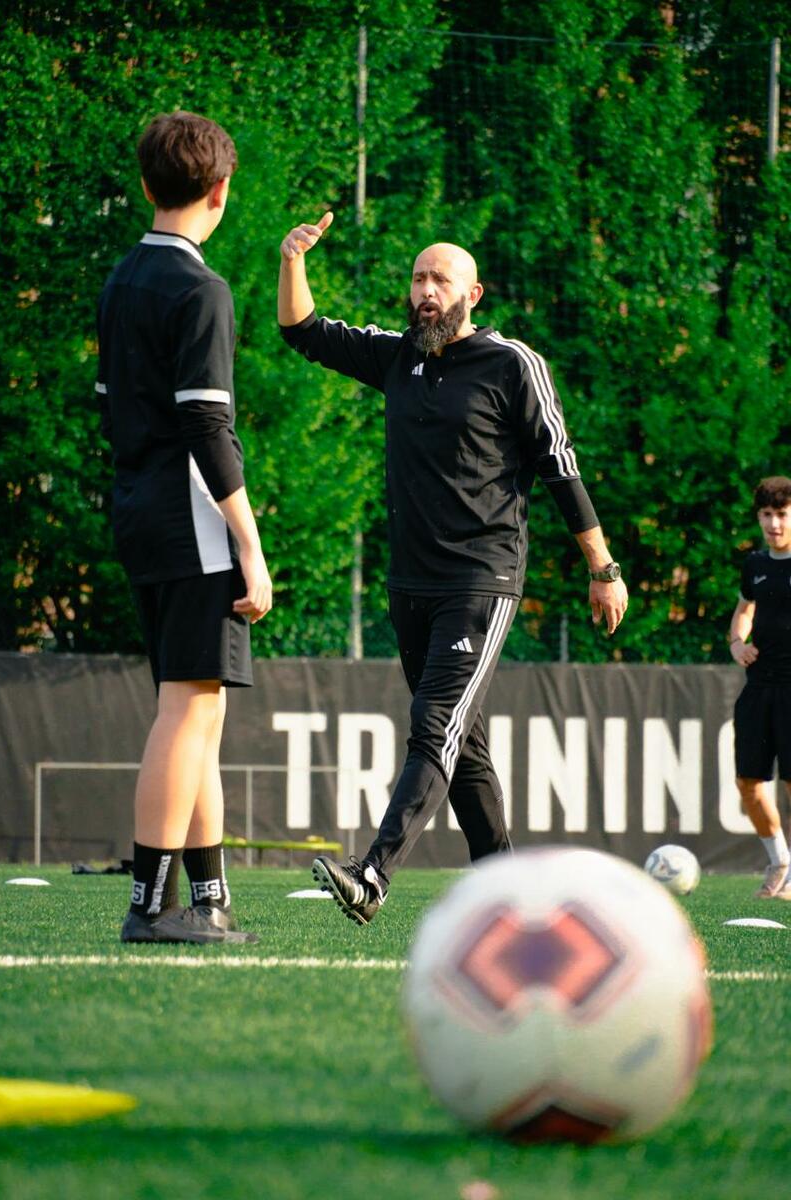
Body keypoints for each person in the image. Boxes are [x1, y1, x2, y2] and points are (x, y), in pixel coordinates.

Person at [278, 212, 628, 925]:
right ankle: (508, 887)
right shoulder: (397, 355)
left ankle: (372, 874)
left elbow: (562, 471)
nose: (425, 290)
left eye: (441, 279)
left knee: (433, 723)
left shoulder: (511, 365)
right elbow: (302, 331)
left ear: (475, 294)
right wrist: (292, 259)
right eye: (418, 278)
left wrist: (604, 566)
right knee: (458, 742)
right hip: (409, 583)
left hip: (483, 578)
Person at [96, 111, 272, 943]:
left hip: (137, 508)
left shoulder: (123, 278)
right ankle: (149, 907)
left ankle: (207, 902)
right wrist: (250, 543)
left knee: (198, 710)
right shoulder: (201, 288)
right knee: (187, 713)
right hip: (190, 517)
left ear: (145, 187)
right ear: (221, 191)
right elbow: (208, 428)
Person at [729, 475, 791, 900]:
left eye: (782, 514)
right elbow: (744, 609)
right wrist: (737, 642)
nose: (774, 523)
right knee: (748, 783)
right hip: (759, 687)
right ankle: (779, 862)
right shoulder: (754, 565)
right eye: (767, 515)